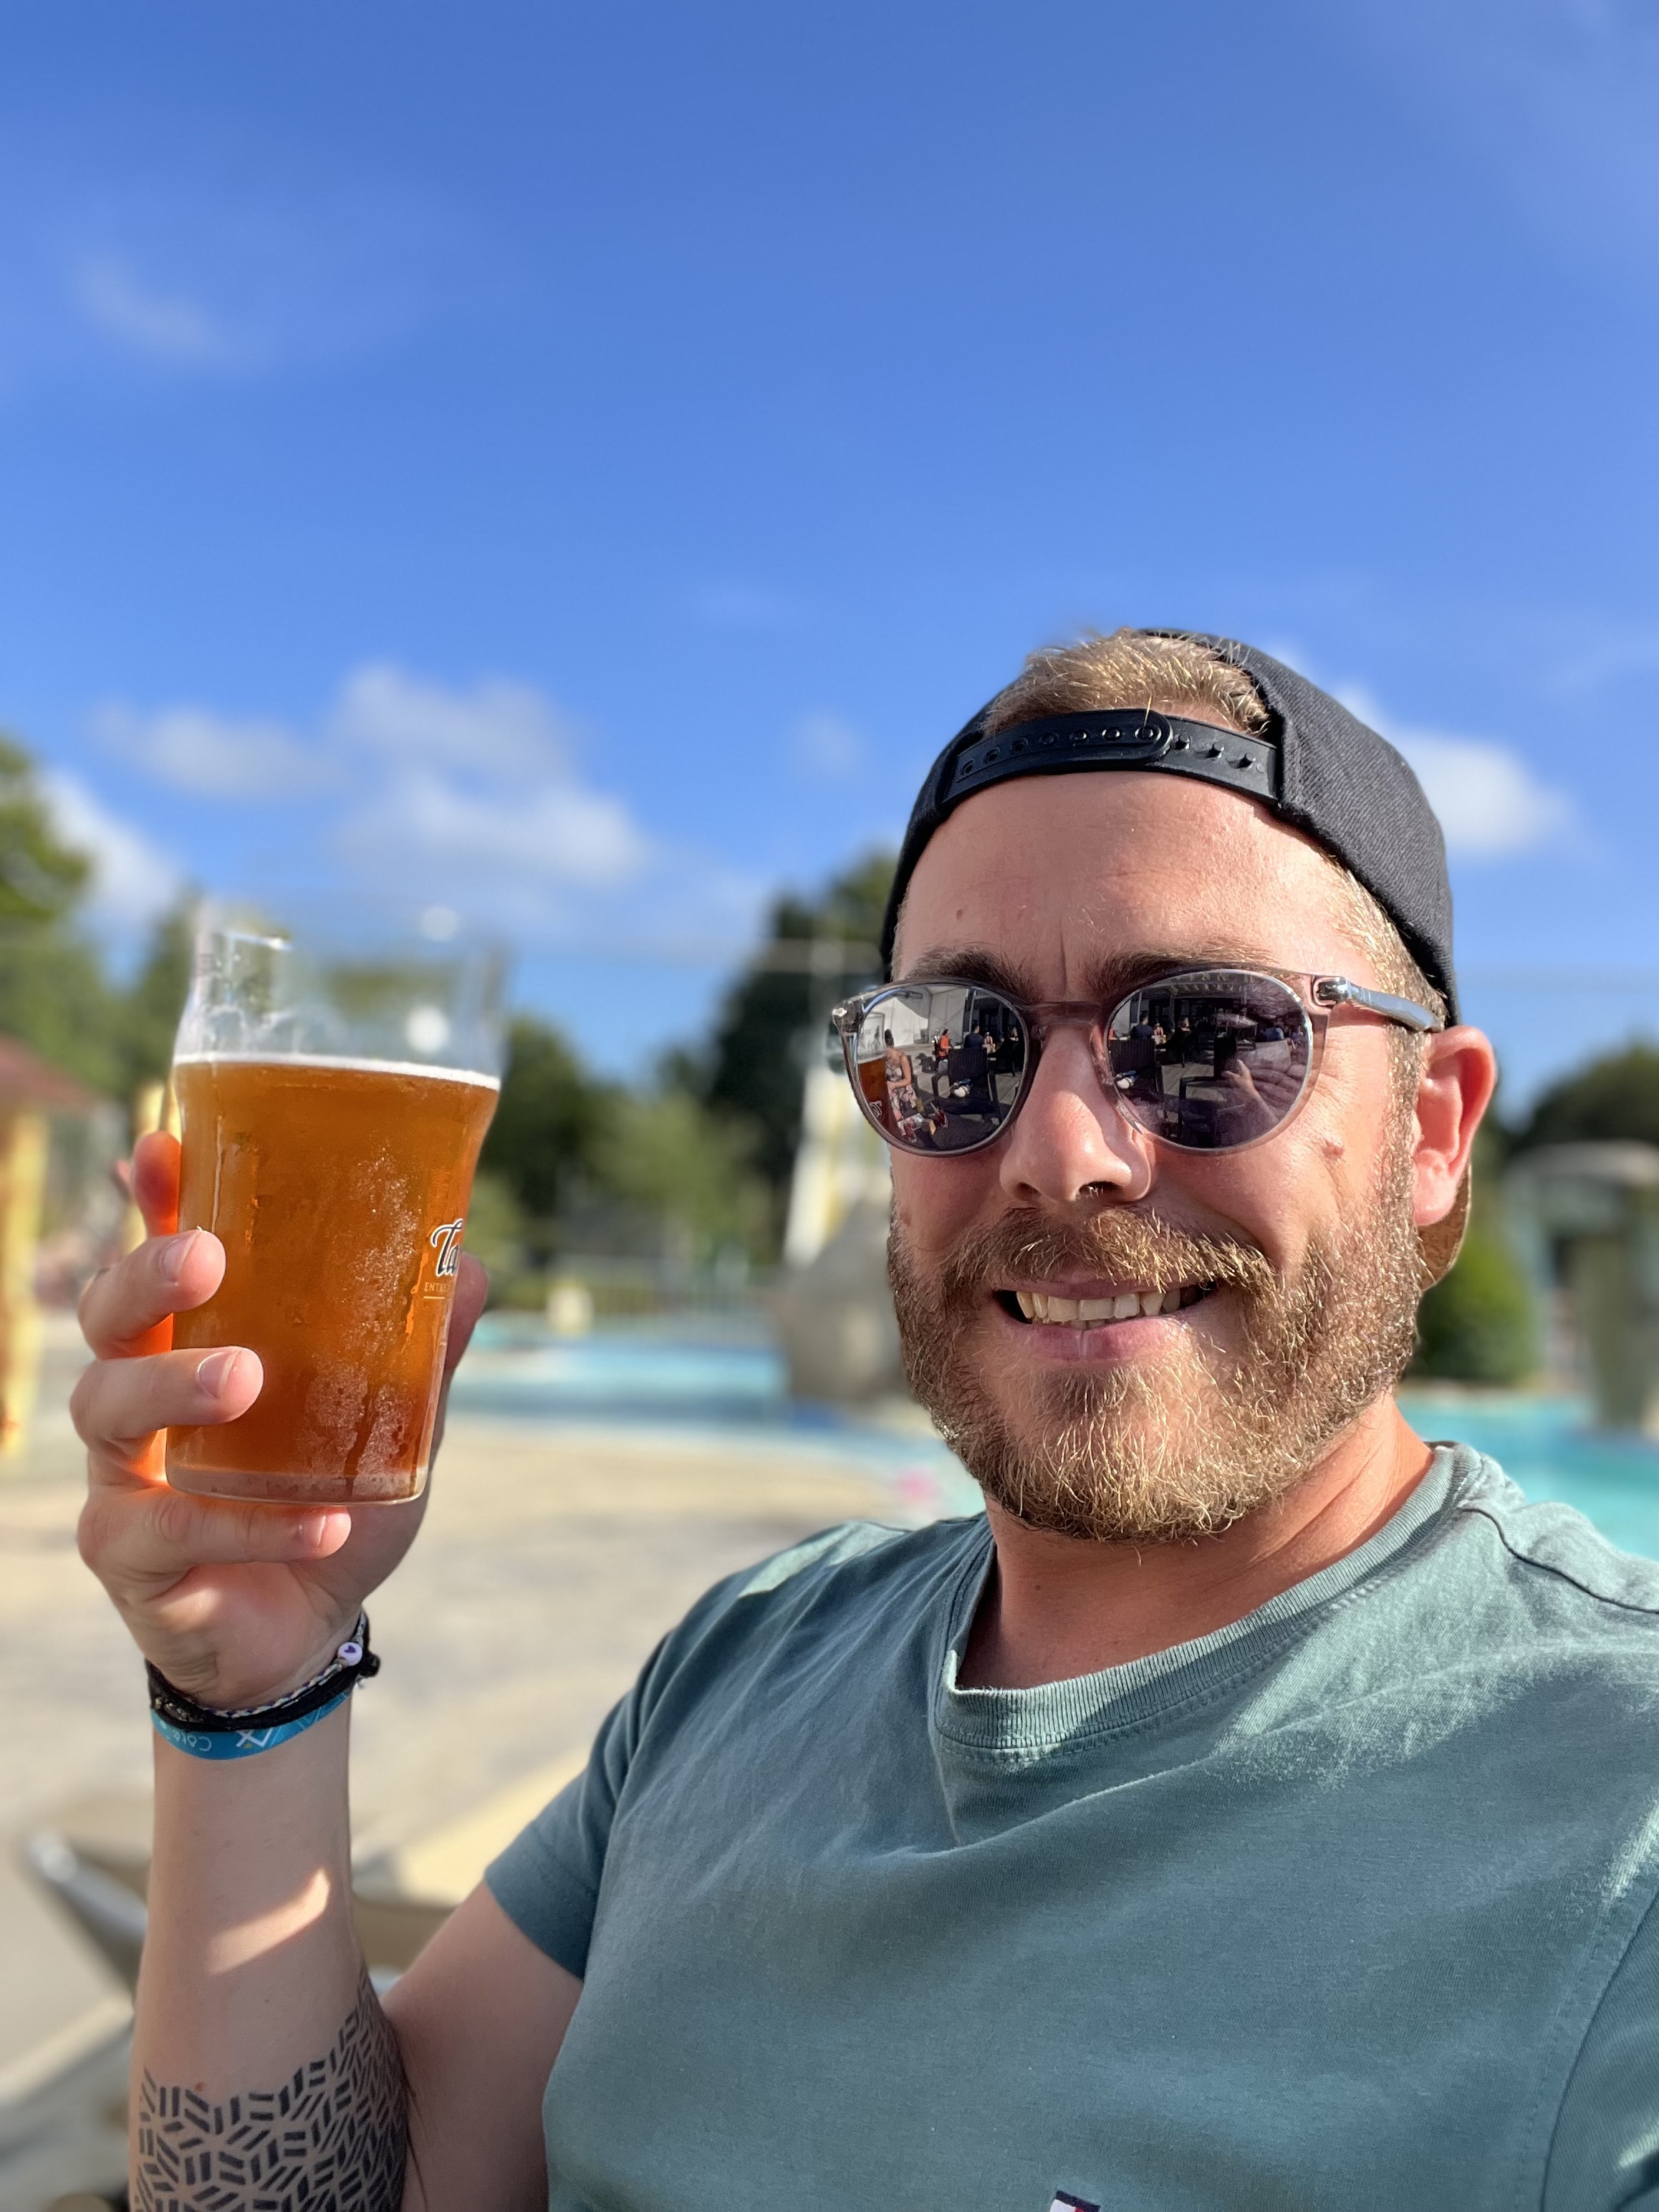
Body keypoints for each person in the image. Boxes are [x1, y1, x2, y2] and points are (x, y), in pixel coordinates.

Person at [75, 628, 1658, 2211]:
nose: (1058, 1152)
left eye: (1205, 1037)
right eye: (950, 1051)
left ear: (1433, 1130)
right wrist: (254, 1694)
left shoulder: (1616, 1812)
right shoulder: (748, 1661)